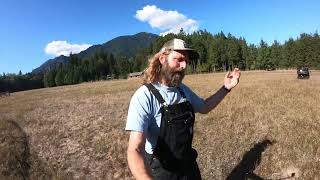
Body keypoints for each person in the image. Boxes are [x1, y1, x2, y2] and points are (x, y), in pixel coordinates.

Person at [125, 38, 241, 180]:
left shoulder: (182, 90)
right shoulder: (144, 96)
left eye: (186, 61)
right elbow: (135, 150)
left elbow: (204, 107)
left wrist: (226, 88)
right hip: (163, 172)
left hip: (189, 168)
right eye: (178, 59)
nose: (184, 65)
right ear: (162, 58)